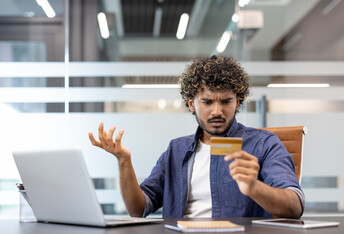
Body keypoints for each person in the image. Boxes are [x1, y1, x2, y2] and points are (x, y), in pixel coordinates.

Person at [88, 55, 305, 219]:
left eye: (226, 101)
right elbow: (139, 209)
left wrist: (255, 188)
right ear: (192, 103)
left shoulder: (263, 144)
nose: (217, 111)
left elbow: (294, 206)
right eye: (207, 102)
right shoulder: (176, 150)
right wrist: (124, 162)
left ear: (238, 102)